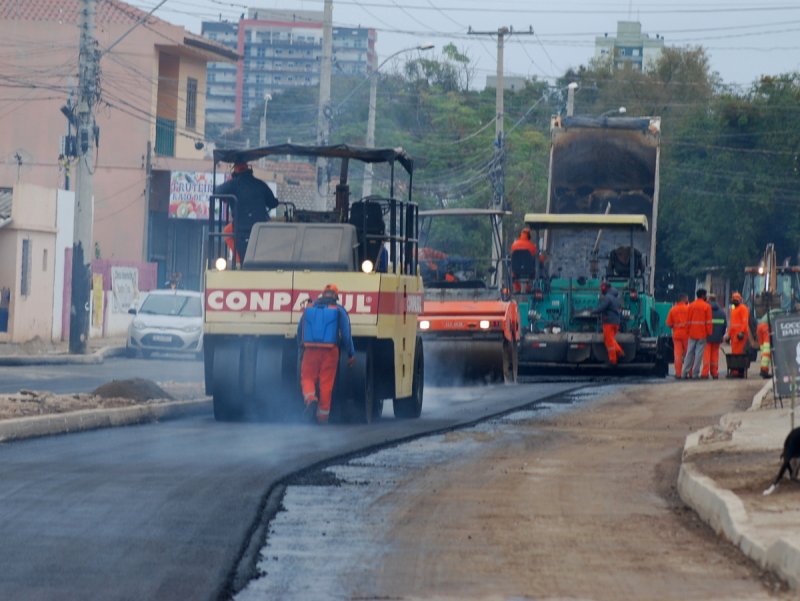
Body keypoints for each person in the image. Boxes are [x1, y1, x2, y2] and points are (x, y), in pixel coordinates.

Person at [296, 284, 356, 424]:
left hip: (310, 350)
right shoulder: (339, 310)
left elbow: (300, 330)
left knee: (307, 378)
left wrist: (300, 348)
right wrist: (351, 354)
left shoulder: (309, 308)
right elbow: (346, 335)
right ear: (336, 296)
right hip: (330, 352)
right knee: (326, 384)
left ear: (322, 294)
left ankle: (310, 399)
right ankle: (322, 418)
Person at [214, 161, 278, 263]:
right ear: (248, 169)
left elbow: (217, 191)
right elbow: (273, 203)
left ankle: (239, 261)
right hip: (260, 227)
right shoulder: (260, 184)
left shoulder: (233, 184)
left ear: (235, 170)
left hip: (240, 228)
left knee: (226, 232)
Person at [682, 288, 712, 379]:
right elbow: (708, 322)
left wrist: (687, 331)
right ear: (703, 296)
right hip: (702, 334)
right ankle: (695, 374)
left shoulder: (691, 306)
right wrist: (709, 333)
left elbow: (687, 320)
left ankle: (684, 372)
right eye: (705, 295)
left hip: (692, 333)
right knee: (699, 354)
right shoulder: (707, 307)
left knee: (689, 353)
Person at [592, 281, 624, 365]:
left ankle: (613, 359)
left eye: (602, 287)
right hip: (616, 322)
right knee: (609, 339)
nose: (601, 289)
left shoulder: (608, 298)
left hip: (609, 323)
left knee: (609, 341)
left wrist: (593, 312)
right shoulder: (616, 298)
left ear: (606, 288)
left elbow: (602, 308)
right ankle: (619, 352)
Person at [701, 293, 727, 379]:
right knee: (715, 356)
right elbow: (724, 325)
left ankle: (705, 373)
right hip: (717, 337)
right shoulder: (721, 312)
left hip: (707, 337)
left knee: (706, 356)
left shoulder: (705, 310)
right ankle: (715, 373)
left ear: (708, 300)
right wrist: (721, 335)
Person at [725, 291, 751, 377]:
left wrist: (742, 332)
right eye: (734, 299)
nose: (734, 301)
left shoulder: (743, 308)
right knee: (735, 354)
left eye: (736, 300)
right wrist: (728, 335)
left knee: (739, 354)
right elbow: (732, 324)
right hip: (734, 336)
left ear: (740, 300)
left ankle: (739, 372)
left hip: (740, 336)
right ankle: (735, 371)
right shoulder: (733, 309)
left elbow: (745, 322)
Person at [666, 294, 689, 379]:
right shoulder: (688, 309)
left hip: (676, 334)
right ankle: (688, 373)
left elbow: (669, 324)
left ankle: (678, 373)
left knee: (677, 355)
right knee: (688, 354)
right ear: (684, 299)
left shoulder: (673, 309)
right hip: (686, 334)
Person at [510, 228, 538, 293]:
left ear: (520, 235)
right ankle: (528, 289)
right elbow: (537, 257)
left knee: (513, 273)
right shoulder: (532, 246)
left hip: (516, 271)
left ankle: (517, 289)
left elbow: (512, 257)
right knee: (536, 269)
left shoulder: (514, 245)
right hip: (529, 271)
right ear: (529, 236)